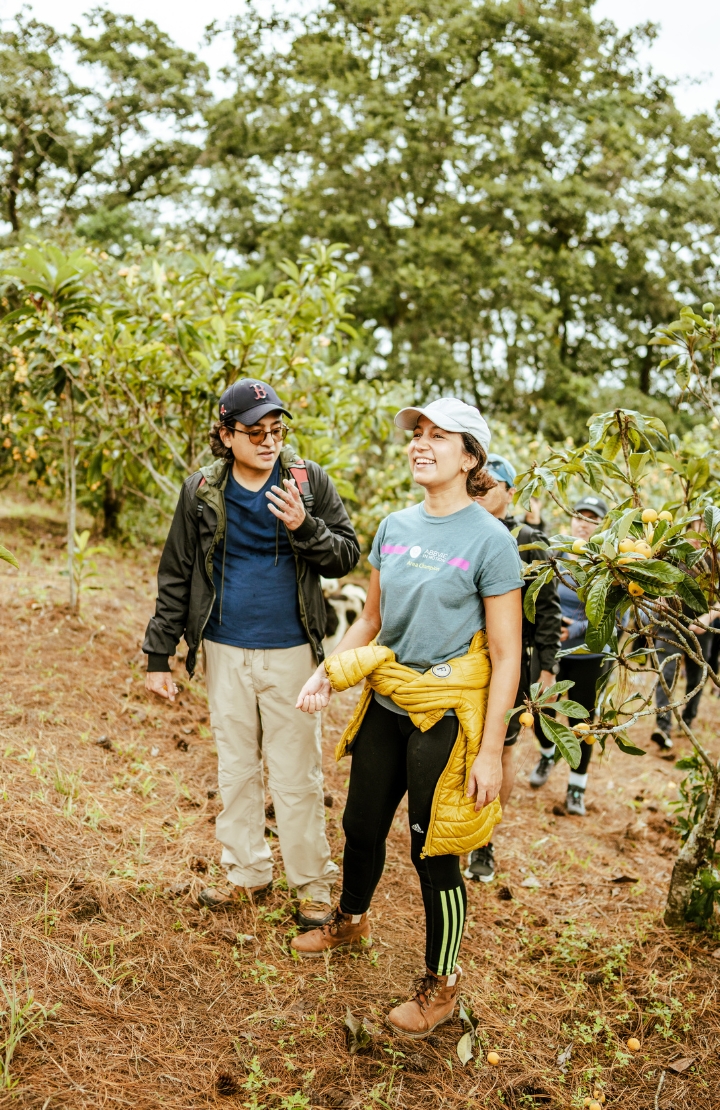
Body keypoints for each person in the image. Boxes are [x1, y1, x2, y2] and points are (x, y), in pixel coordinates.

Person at [288, 397, 523, 1039]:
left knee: (433, 852)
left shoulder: (492, 542)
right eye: (417, 433)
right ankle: (351, 920)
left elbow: (507, 657)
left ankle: (441, 985)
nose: (421, 443)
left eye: (439, 436)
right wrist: (327, 671)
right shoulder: (394, 526)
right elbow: (371, 619)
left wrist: (490, 752)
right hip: (388, 699)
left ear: (470, 457)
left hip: (444, 713)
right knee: (360, 824)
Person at [143, 378, 360, 926]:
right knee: (236, 769)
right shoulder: (200, 491)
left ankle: (312, 885)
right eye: (255, 432)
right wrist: (158, 655)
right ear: (226, 435)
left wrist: (304, 526)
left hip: (292, 653)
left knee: (296, 775)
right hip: (224, 650)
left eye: (277, 430)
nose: (269, 441)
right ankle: (247, 873)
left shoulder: (307, 481)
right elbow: (176, 573)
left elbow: (346, 555)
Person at [464, 453, 561, 881]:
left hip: (511, 660)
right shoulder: (459, 528)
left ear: (511, 492)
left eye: (491, 486)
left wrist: (546, 669)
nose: (481, 493)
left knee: (501, 747)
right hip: (461, 657)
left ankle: (483, 840)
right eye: (476, 485)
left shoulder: (530, 540)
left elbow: (549, 610)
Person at [528, 495, 609, 816]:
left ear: (602, 525)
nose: (584, 523)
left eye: (592, 519)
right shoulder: (556, 553)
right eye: (580, 516)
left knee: (582, 723)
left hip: (588, 655)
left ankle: (577, 786)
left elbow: (616, 615)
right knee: (540, 711)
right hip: (552, 651)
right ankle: (548, 753)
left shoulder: (608, 563)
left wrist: (576, 629)